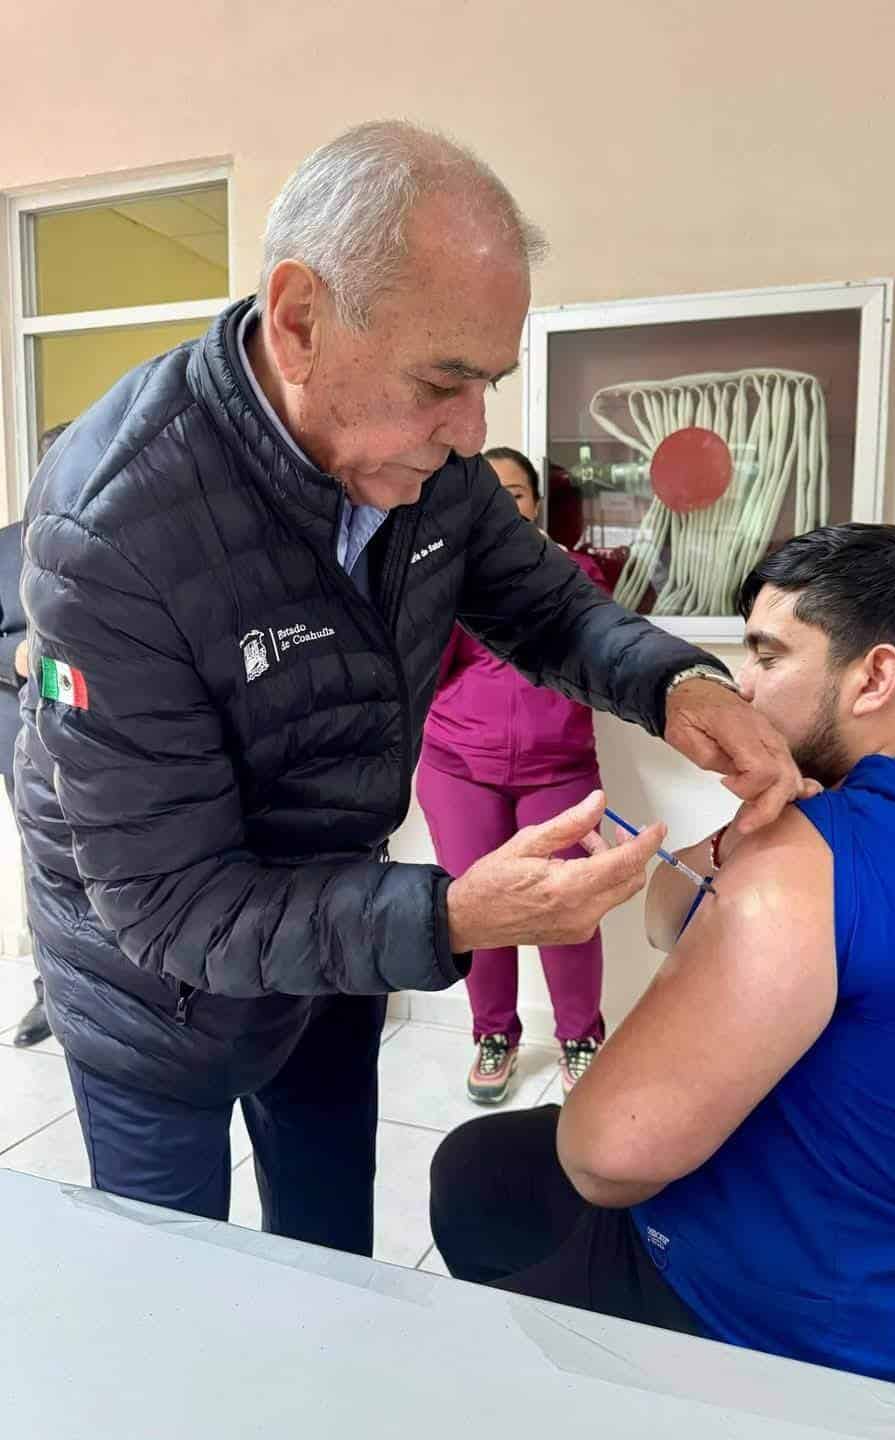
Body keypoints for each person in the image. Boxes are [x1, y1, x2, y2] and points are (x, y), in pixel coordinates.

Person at [16, 121, 807, 1254]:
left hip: (330, 959)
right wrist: (451, 917)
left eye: (489, 383)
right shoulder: (116, 527)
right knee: (170, 1298)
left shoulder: (424, 466)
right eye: (445, 382)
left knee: (334, 1264)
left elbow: (547, 605)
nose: (473, 432)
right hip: (154, 1006)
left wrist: (678, 686)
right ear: (299, 320)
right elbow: (173, 906)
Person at [430, 524, 895, 1398]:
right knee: (476, 1164)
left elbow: (603, 1155)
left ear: (874, 676)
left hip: (789, 1338)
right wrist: (739, 847)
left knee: (458, 1344)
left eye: (766, 655)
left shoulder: (814, 851)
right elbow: (662, 915)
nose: (739, 689)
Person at [418, 447, 610, 1102]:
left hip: (557, 770)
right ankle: (492, 1033)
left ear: (535, 503)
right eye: (489, 493)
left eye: (518, 493)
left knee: (567, 906)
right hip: (458, 767)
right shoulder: (446, 576)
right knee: (477, 907)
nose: (505, 504)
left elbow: (597, 661)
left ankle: (581, 1036)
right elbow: (425, 672)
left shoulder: (578, 572)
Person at [4, 423, 69, 1048]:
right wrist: (24, 659)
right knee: (42, 872)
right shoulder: (5, 549)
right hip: (26, 745)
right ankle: (50, 999)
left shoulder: (139, 538)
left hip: (125, 750)